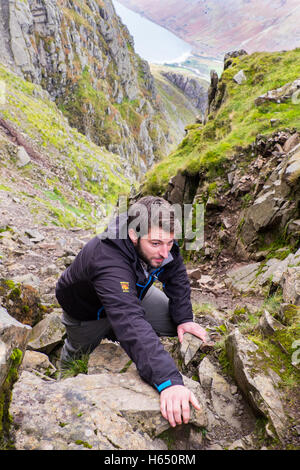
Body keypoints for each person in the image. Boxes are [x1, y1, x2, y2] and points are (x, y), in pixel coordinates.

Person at [55, 196, 209, 428]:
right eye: (156, 244)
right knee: (76, 357)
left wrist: (184, 319)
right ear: (133, 235)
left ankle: (121, 335)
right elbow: (129, 320)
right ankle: (63, 372)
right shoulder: (107, 256)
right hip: (87, 312)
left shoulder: (159, 237)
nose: (164, 252)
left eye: (169, 243)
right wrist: (169, 381)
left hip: (130, 294)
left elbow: (176, 273)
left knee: (171, 322)